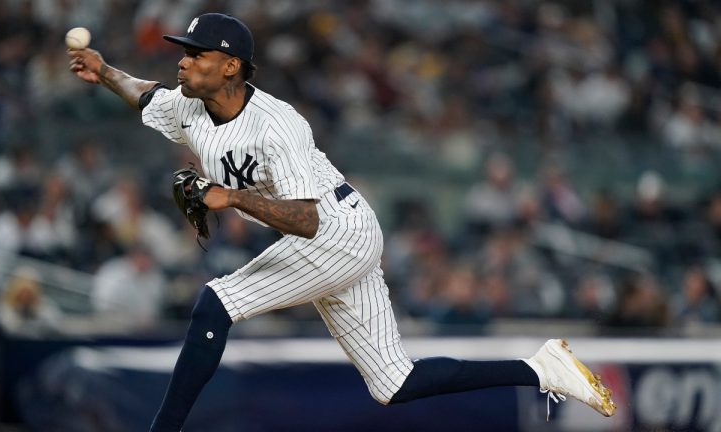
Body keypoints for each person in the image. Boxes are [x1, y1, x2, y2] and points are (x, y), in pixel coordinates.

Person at [68, 12, 615, 431]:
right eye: (183, 52)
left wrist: (230, 198)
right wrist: (105, 72)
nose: (182, 61)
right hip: (330, 238)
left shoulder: (277, 125)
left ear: (231, 66)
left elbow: (305, 220)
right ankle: (542, 368)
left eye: (196, 53)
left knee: (217, 301)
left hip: (335, 230)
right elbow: (146, 95)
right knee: (393, 383)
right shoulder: (188, 104)